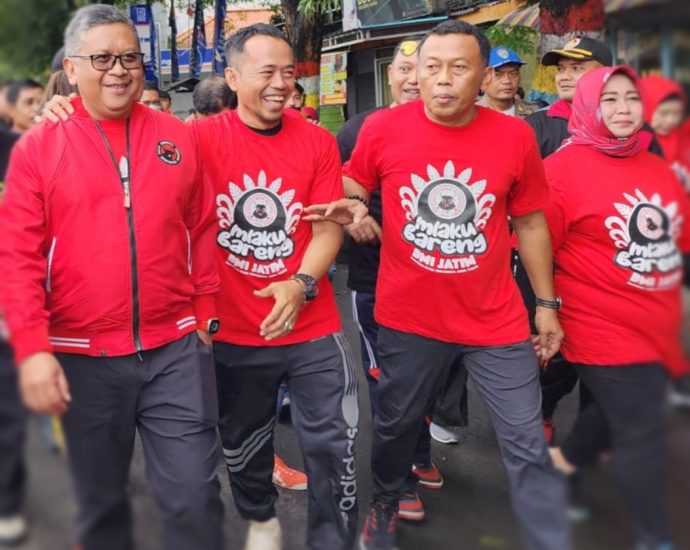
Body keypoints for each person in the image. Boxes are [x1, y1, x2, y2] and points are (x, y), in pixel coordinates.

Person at [307, 19, 570, 550]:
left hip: (494, 320)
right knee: (396, 426)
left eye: (458, 68)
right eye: (432, 67)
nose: (443, 79)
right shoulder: (383, 128)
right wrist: (352, 202)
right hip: (410, 319)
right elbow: (356, 179)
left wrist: (546, 304)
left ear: (485, 77)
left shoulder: (515, 136)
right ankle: (385, 503)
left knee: (523, 436)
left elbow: (529, 223)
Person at [0, 6, 224, 550]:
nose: (118, 70)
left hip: (174, 347)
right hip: (82, 354)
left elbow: (201, 225)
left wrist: (206, 306)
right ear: (72, 68)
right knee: (101, 506)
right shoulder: (40, 146)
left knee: (195, 497)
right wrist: (31, 349)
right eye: (101, 58)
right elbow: (18, 255)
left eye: (129, 57)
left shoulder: (176, 136)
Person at [192, 24, 358, 550]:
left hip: (312, 325)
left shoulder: (317, 140)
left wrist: (300, 283)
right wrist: (66, 106)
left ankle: (332, 539)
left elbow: (326, 229)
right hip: (234, 328)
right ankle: (260, 518)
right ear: (233, 78)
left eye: (288, 72)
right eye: (267, 72)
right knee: (244, 442)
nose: (281, 84)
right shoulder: (198, 140)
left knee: (335, 442)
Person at [542, 65, 688, 550]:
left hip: (657, 323)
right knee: (642, 426)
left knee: (615, 410)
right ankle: (655, 536)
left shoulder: (654, 163)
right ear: (588, 106)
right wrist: (544, 313)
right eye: (610, 99)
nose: (624, 109)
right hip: (599, 323)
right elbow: (538, 250)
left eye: (631, 98)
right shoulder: (561, 170)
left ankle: (562, 467)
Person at [336, 37, 459, 523]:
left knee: (434, 376)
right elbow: (339, 188)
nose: (412, 79)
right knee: (390, 381)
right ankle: (399, 479)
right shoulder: (360, 128)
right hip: (376, 282)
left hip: (443, 282)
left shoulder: (457, 127)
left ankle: (419, 451)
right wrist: (357, 213)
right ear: (389, 77)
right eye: (403, 69)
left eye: (419, 68)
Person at [638, 75, 690, 408]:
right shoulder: (640, 144)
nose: (669, 121)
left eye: (675, 113)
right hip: (654, 245)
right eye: (662, 112)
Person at [477, 46, 539, 118]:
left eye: (513, 74)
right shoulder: (470, 115)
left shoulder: (535, 112)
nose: (507, 81)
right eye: (498, 75)